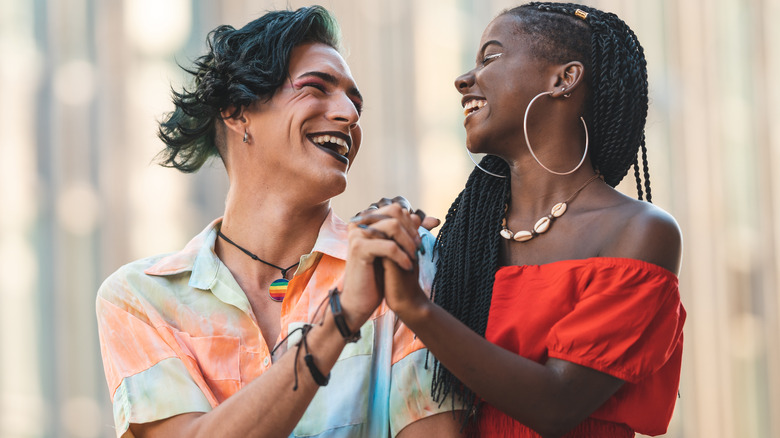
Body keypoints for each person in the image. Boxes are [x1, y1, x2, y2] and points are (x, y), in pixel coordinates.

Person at [95, 6, 461, 438]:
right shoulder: (141, 298)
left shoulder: (400, 260)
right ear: (236, 111)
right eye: (316, 88)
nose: (348, 113)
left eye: (354, 101)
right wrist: (341, 317)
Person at [352, 2, 686, 437]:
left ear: (563, 79)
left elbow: (558, 404)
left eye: (490, 58)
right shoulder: (461, 242)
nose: (463, 79)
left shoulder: (639, 232)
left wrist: (415, 307)